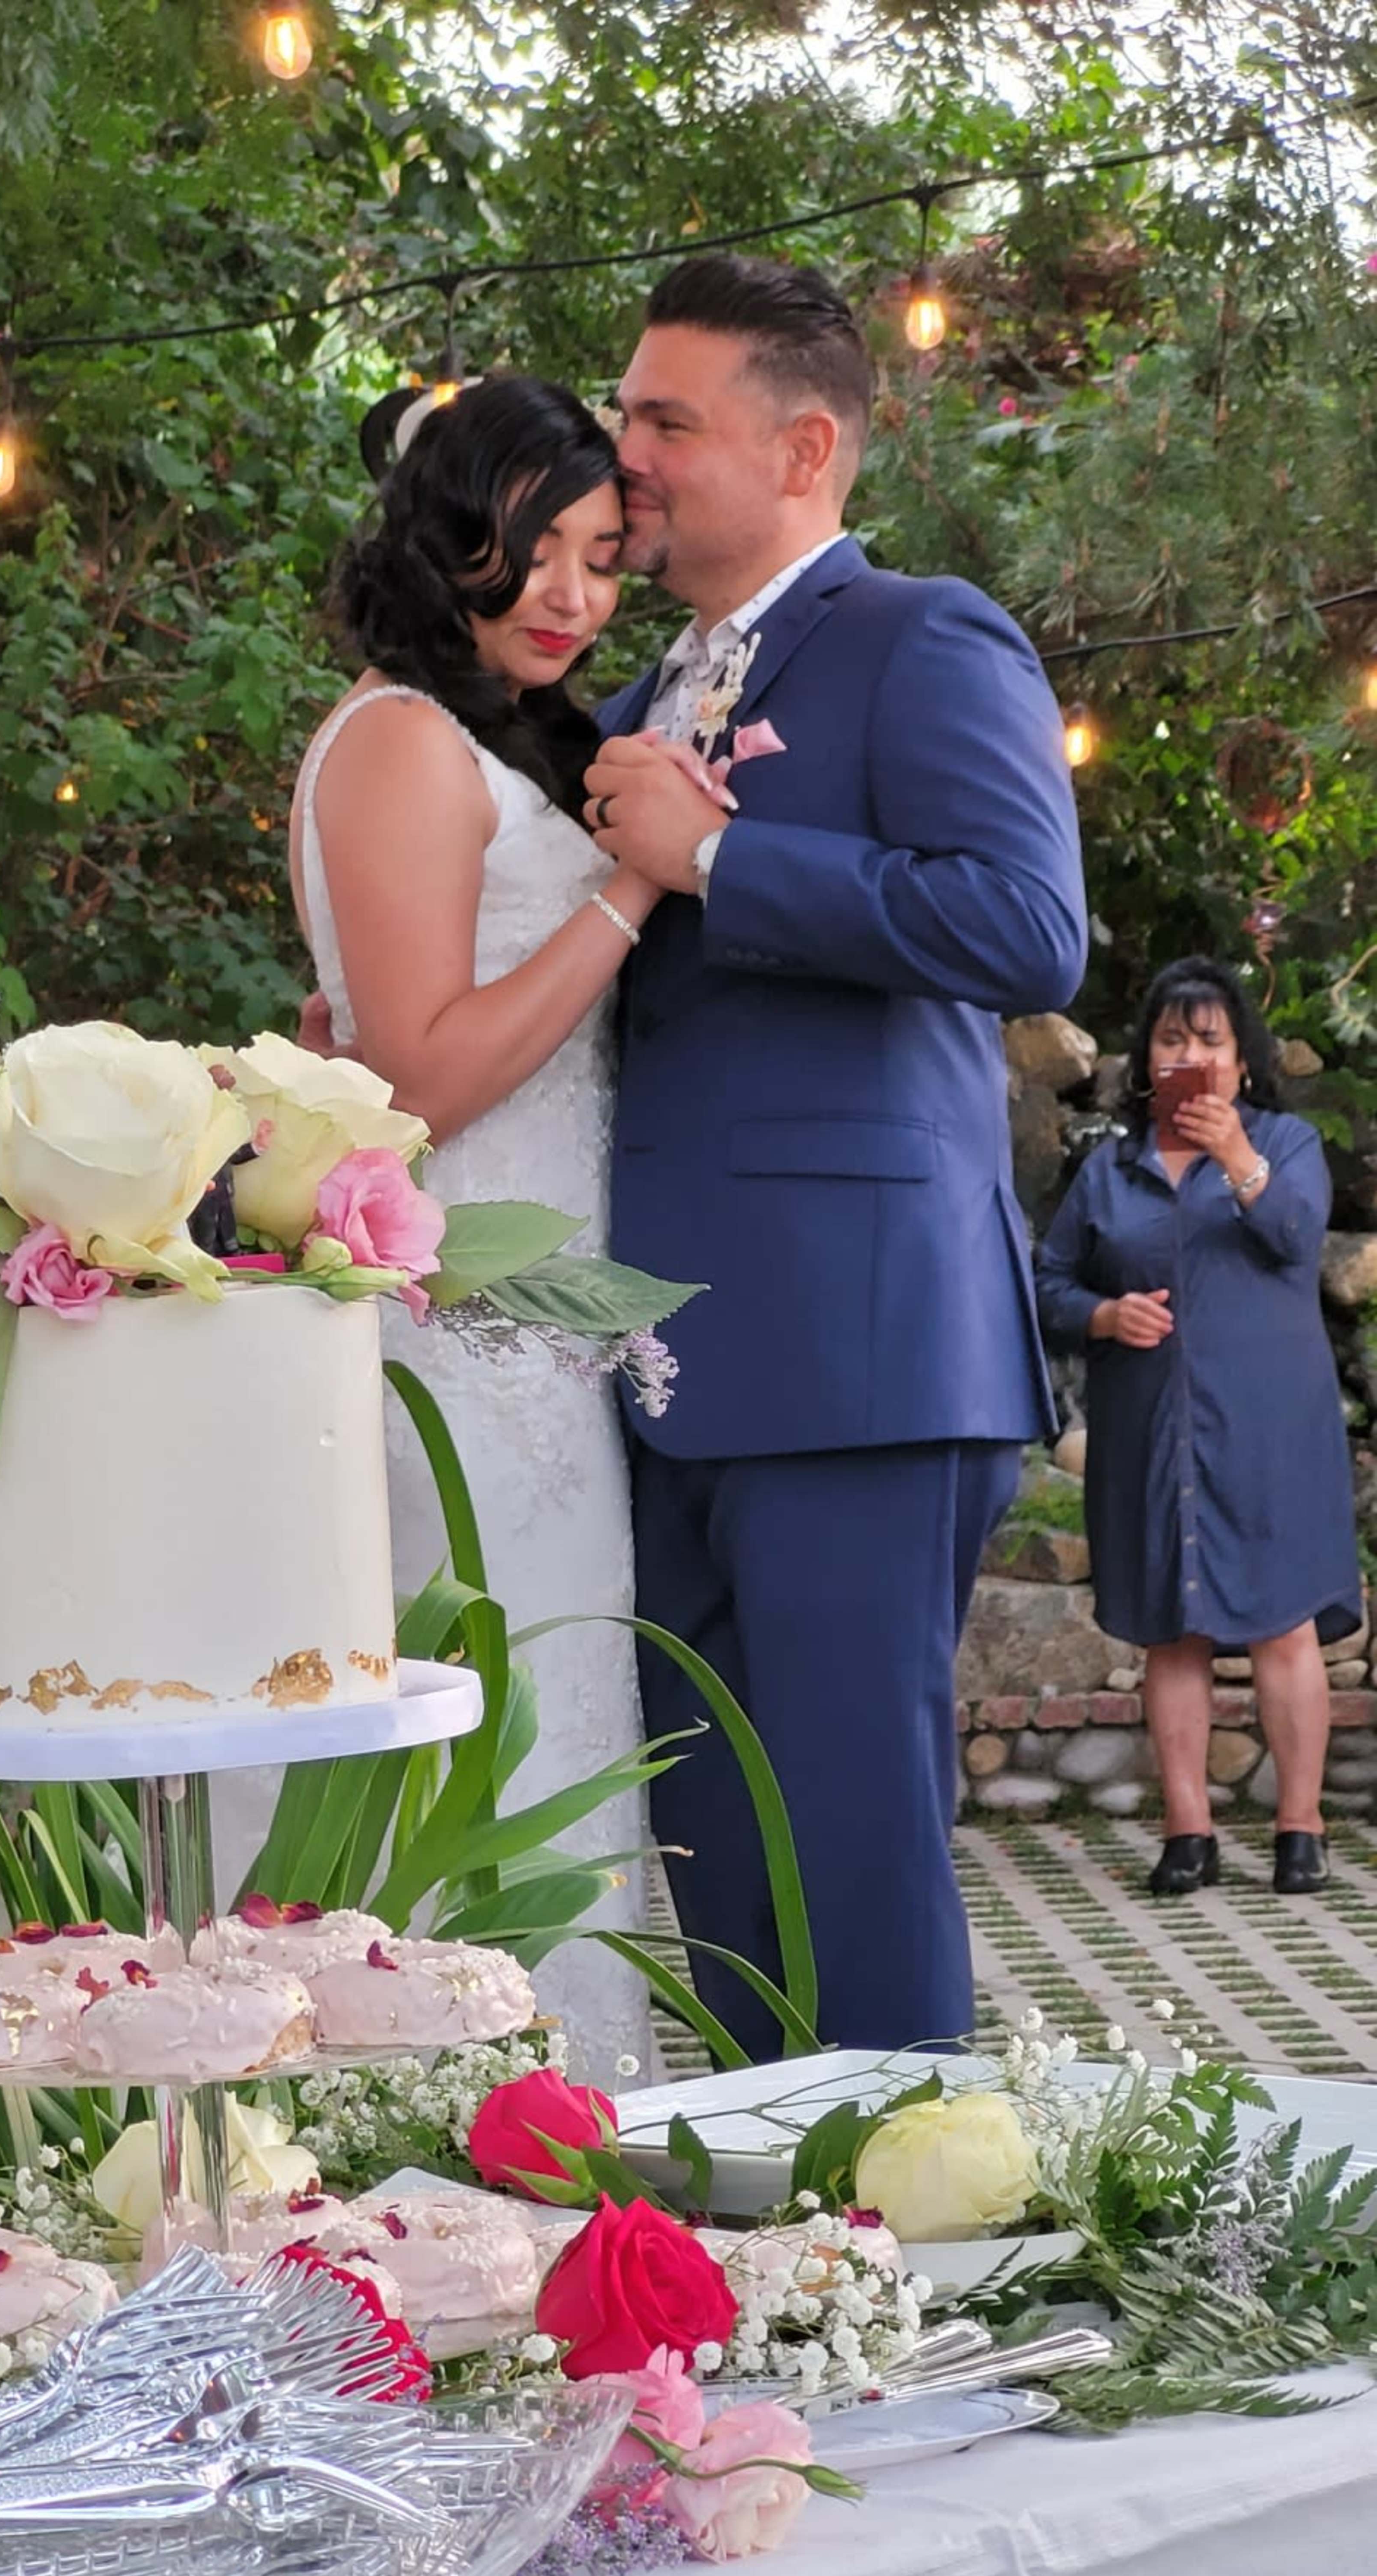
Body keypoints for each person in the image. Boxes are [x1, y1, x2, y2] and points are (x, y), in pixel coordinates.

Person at [583, 253, 1088, 2059]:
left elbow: (1032, 929)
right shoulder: (638, 682)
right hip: (662, 1354)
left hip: (864, 1350)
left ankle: (916, 2274)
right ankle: (757, 2269)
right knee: (713, 1856)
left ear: (805, 448)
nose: (624, 453)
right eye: (625, 412)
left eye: (665, 420)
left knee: (854, 1858)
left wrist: (725, 863)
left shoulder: (919, 637)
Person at [286, 376, 669, 2088]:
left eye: (603, 559)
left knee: (559, 1765)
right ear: (454, 542)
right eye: (540, 551)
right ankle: (448, 2156)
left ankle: (559, 2171)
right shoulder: (396, 741)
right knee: (490, 1773)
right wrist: (633, 897)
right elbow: (421, 1079)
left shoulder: (493, 742)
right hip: (454, 1353)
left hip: (542, 1351)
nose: (578, 597)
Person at [1036, 956, 1359, 1897]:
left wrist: (1236, 1158)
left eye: (1210, 1041)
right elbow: (1050, 1284)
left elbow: (1297, 1236)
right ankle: (1189, 1832)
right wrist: (1105, 1317)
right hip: (1149, 1427)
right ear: (1148, 1061)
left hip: (1269, 1429)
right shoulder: (1111, 1168)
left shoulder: (1286, 1146)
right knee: (1170, 1635)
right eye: (1173, 1039)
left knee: (1283, 1626)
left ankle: (1300, 1829)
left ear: (1243, 1062)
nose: (1191, 1055)